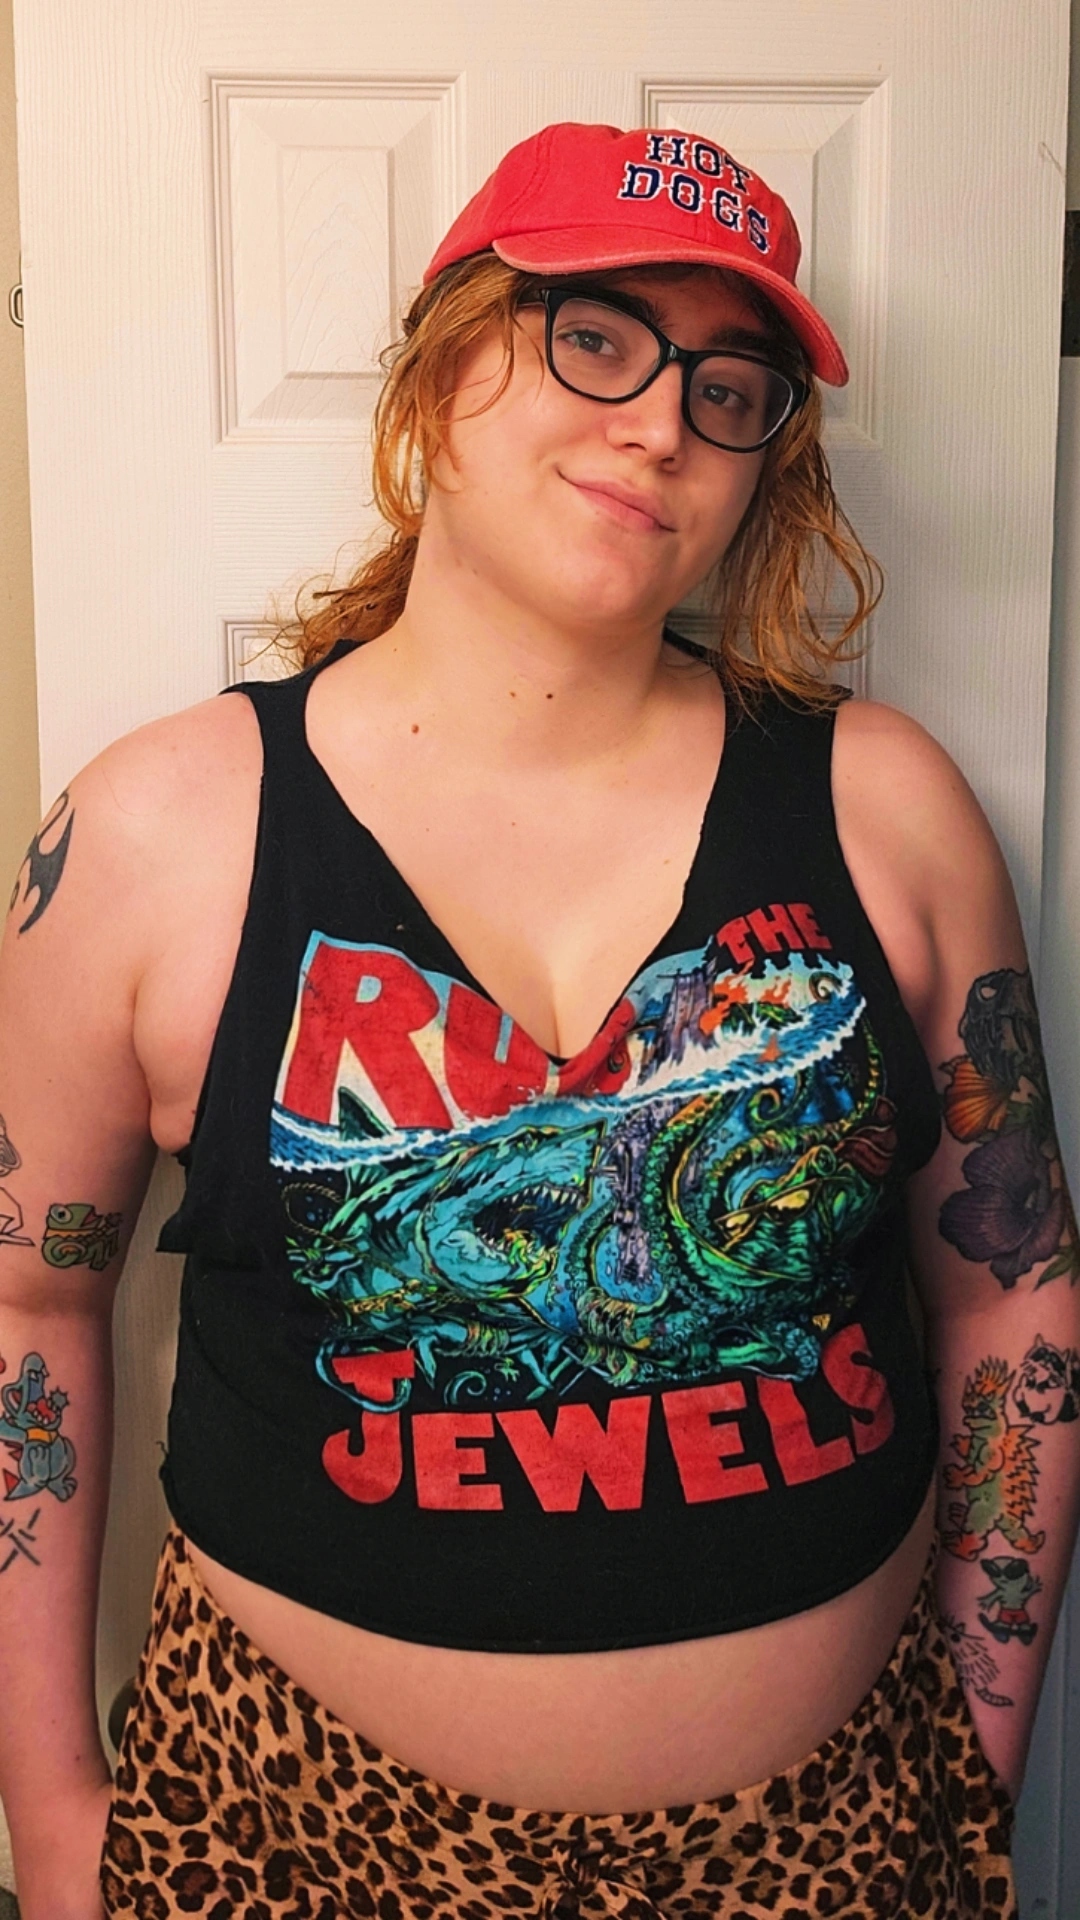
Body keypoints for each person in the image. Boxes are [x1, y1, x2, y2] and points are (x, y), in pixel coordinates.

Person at [0, 119, 1074, 1920]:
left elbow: (1011, 1289)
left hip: (835, 1840)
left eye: (728, 389)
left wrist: (975, 1759)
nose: (661, 424)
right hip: (286, 1838)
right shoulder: (156, 834)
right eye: (595, 337)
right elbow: (27, 1303)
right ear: (441, 377)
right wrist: (48, 1815)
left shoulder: (887, 810)